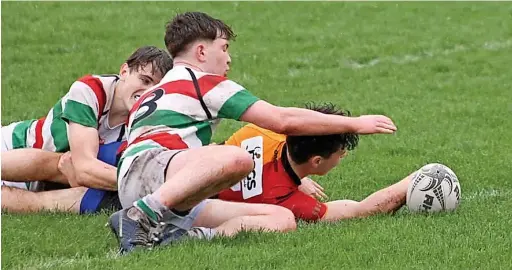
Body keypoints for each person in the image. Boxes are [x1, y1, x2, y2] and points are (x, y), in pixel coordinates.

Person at [108, 11, 398, 254]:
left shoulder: (157, 90)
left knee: (281, 219)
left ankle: (177, 238)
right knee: (238, 160)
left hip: (144, 182)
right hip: (154, 174)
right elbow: (282, 120)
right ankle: (140, 216)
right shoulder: (203, 82)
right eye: (223, 48)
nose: (228, 59)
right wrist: (355, 123)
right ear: (201, 51)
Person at [1, 46, 173, 214]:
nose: (147, 93)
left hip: (48, 179)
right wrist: (146, 186)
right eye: (145, 80)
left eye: (155, 89)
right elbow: (84, 169)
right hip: (14, 148)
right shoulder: (89, 90)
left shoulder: (145, 119)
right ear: (124, 71)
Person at [216, 103, 414, 222]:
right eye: (341, 152)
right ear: (316, 161)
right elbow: (360, 211)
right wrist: (412, 181)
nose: (342, 156)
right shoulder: (282, 199)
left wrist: (298, 178)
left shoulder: (257, 130)